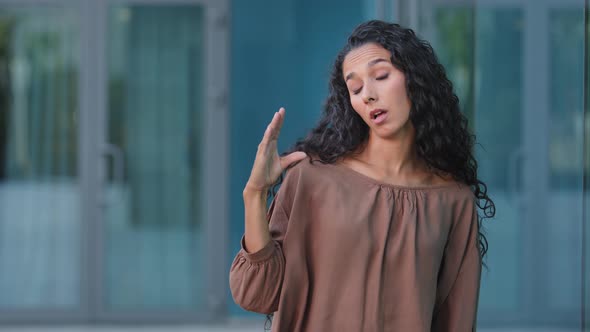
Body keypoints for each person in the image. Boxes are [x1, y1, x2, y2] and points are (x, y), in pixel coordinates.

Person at [229, 20, 495, 331]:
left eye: (381, 76)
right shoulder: (312, 180)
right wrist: (256, 193)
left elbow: (457, 320)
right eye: (355, 88)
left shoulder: (453, 201)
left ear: (417, 79)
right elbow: (256, 295)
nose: (367, 94)